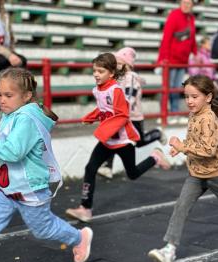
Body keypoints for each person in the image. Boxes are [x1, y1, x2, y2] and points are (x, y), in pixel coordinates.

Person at [147, 75, 218, 262]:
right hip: (196, 174)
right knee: (181, 206)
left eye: (194, 97)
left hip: (216, 174)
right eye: (186, 97)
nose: (189, 101)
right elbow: (194, 141)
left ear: (209, 97)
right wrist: (181, 147)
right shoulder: (194, 114)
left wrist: (183, 147)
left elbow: (208, 150)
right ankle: (169, 250)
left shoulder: (209, 119)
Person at [0, 67, 93, 262]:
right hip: (7, 187)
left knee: (43, 229)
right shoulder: (11, 114)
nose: (2, 100)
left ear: (26, 96)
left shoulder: (26, 119)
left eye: (8, 95)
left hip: (29, 189)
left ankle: (79, 237)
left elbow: (13, 152)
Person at [65, 53, 170, 222]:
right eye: (94, 71)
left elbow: (122, 115)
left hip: (123, 141)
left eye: (100, 71)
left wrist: (106, 130)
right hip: (108, 140)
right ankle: (85, 208)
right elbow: (103, 109)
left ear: (111, 73)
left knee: (133, 174)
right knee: (90, 168)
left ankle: (155, 157)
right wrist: (90, 118)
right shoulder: (97, 90)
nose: (96, 74)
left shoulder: (116, 91)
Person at [97, 47, 168, 179]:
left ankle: (156, 134)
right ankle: (107, 166)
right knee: (114, 137)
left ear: (127, 64)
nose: (116, 66)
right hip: (122, 117)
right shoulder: (120, 78)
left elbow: (129, 98)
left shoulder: (131, 79)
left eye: (119, 63)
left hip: (134, 117)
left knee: (140, 142)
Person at [156, 0, 197, 119]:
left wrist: (195, 53)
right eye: (184, 2)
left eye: (189, 3)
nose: (186, 5)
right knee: (168, 87)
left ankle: (175, 113)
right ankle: (164, 114)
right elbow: (166, 37)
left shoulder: (191, 18)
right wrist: (163, 58)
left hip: (182, 61)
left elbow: (192, 38)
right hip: (171, 60)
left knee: (178, 88)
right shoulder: (174, 15)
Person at [0, 0, 26, 73]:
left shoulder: (4, 15)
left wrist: (12, 53)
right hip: (0, 53)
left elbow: (10, 37)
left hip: (4, 51)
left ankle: (14, 84)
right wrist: (9, 55)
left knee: (21, 60)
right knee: (2, 61)